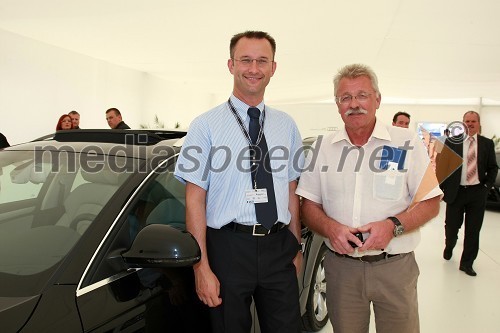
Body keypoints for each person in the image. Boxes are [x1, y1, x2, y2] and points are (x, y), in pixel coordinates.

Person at [296, 63, 442, 333]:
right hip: (342, 270)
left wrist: (393, 226)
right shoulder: (323, 148)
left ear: (377, 99)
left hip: (395, 267)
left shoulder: (405, 142)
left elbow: (431, 202)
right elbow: (309, 206)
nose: (354, 104)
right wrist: (330, 228)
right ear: (337, 104)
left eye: (362, 95)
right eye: (346, 98)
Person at [174, 31, 304, 333]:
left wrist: (295, 247)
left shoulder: (286, 125)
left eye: (262, 61)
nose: (254, 68)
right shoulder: (205, 125)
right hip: (228, 248)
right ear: (231, 65)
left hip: (278, 246)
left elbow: (291, 189)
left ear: (273, 67)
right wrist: (201, 267)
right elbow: (194, 199)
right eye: (246, 60)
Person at [435, 111, 498, 276]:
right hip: (456, 192)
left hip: (477, 192)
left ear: (478, 123)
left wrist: (486, 188)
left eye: (473, 121)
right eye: (467, 121)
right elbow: (443, 167)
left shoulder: (487, 144)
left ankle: (467, 263)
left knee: (473, 230)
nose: (470, 124)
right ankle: (449, 246)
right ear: (462, 124)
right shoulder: (452, 142)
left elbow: (493, 168)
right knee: (451, 227)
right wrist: (442, 188)